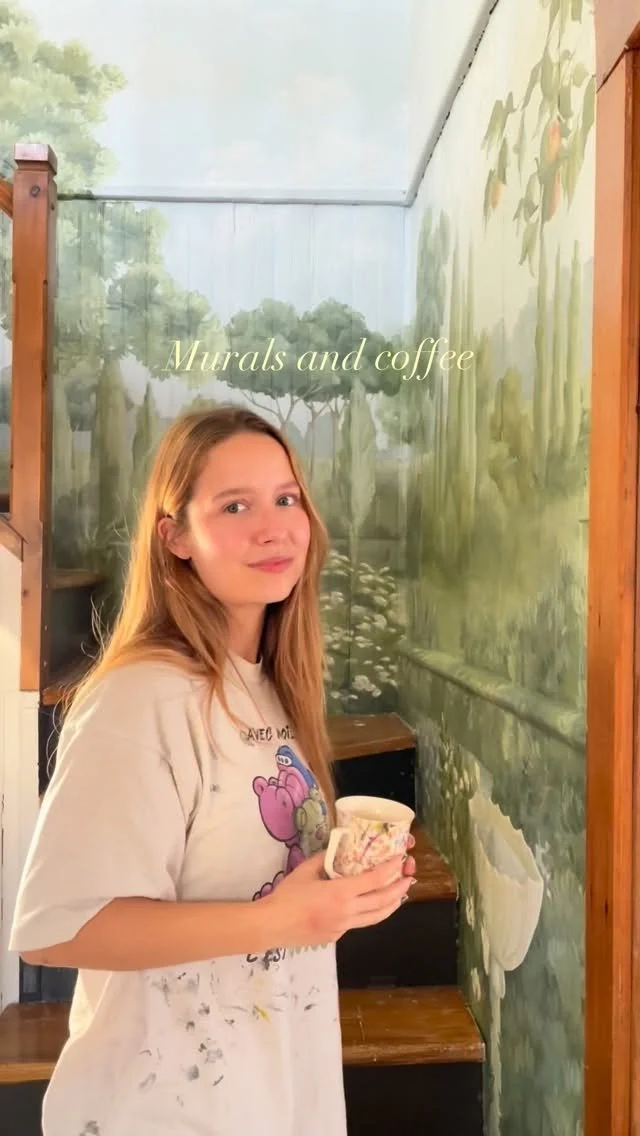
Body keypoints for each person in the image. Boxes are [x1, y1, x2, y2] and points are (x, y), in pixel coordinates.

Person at [9, 405, 416, 1136]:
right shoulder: (141, 698)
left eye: (285, 499)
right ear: (175, 537)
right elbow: (59, 928)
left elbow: (257, 883)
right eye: (235, 506)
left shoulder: (271, 686)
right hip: (159, 1112)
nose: (274, 527)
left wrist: (345, 887)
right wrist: (280, 918)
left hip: (272, 1094)